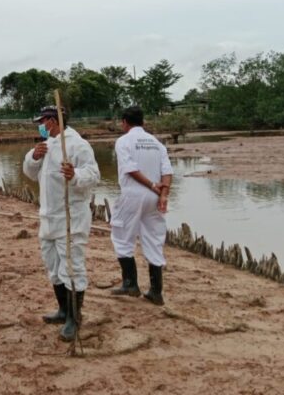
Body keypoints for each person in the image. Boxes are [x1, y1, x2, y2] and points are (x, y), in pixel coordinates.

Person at [22, 106, 100, 342]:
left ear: (53, 121)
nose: (41, 125)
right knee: (53, 266)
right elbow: (30, 173)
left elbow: (94, 175)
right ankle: (63, 309)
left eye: (43, 121)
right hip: (48, 217)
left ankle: (74, 319)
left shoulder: (77, 145)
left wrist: (74, 175)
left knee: (71, 267)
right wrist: (34, 156)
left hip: (70, 218)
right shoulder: (45, 146)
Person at [110, 106, 174, 306]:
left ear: (124, 123)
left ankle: (130, 283)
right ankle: (156, 291)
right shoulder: (156, 143)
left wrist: (152, 185)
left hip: (134, 195)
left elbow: (130, 170)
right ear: (143, 122)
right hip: (155, 198)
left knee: (122, 236)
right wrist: (163, 195)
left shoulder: (123, 141)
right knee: (154, 239)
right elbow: (167, 171)